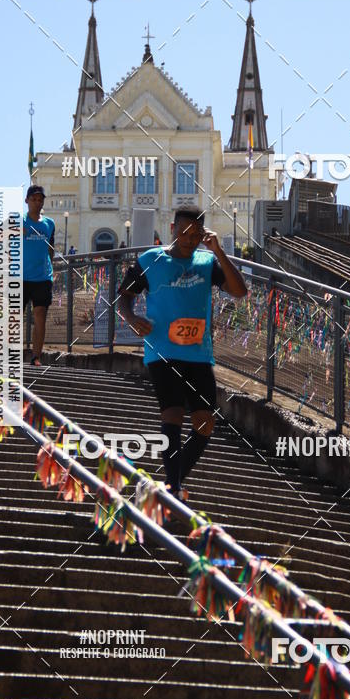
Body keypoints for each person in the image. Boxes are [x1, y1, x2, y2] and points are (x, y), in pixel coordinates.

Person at [117, 206, 247, 499]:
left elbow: (240, 291)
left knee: (205, 423)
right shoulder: (151, 259)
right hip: (162, 350)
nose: (189, 239)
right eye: (184, 232)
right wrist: (132, 318)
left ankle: (170, 483)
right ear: (172, 228)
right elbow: (124, 297)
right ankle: (174, 489)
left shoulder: (207, 262)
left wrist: (219, 252)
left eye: (196, 234)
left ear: (203, 235)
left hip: (199, 354)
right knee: (173, 414)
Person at [23, 185, 55, 366]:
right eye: (34, 199)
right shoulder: (19, 221)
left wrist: (50, 268)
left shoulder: (49, 224)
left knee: (40, 314)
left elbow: (51, 248)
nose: (37, 202)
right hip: (20, 277)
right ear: (27, 201)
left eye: (40, 200)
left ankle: (36, 356)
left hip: (42, 277)